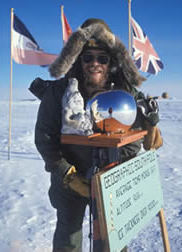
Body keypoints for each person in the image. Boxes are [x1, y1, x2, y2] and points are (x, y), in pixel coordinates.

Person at [29, 18, 163, 252]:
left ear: (111, 61)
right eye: (88, 57)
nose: (95, 64)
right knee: (68, 236)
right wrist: (66, 173)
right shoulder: (59, 92)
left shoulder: (126, 91)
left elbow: (143, 129)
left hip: (113, 178)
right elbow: (45, 137)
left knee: (113, 237)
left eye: (102, 58)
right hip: (71, 179)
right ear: (77, 59)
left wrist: (149, 128)